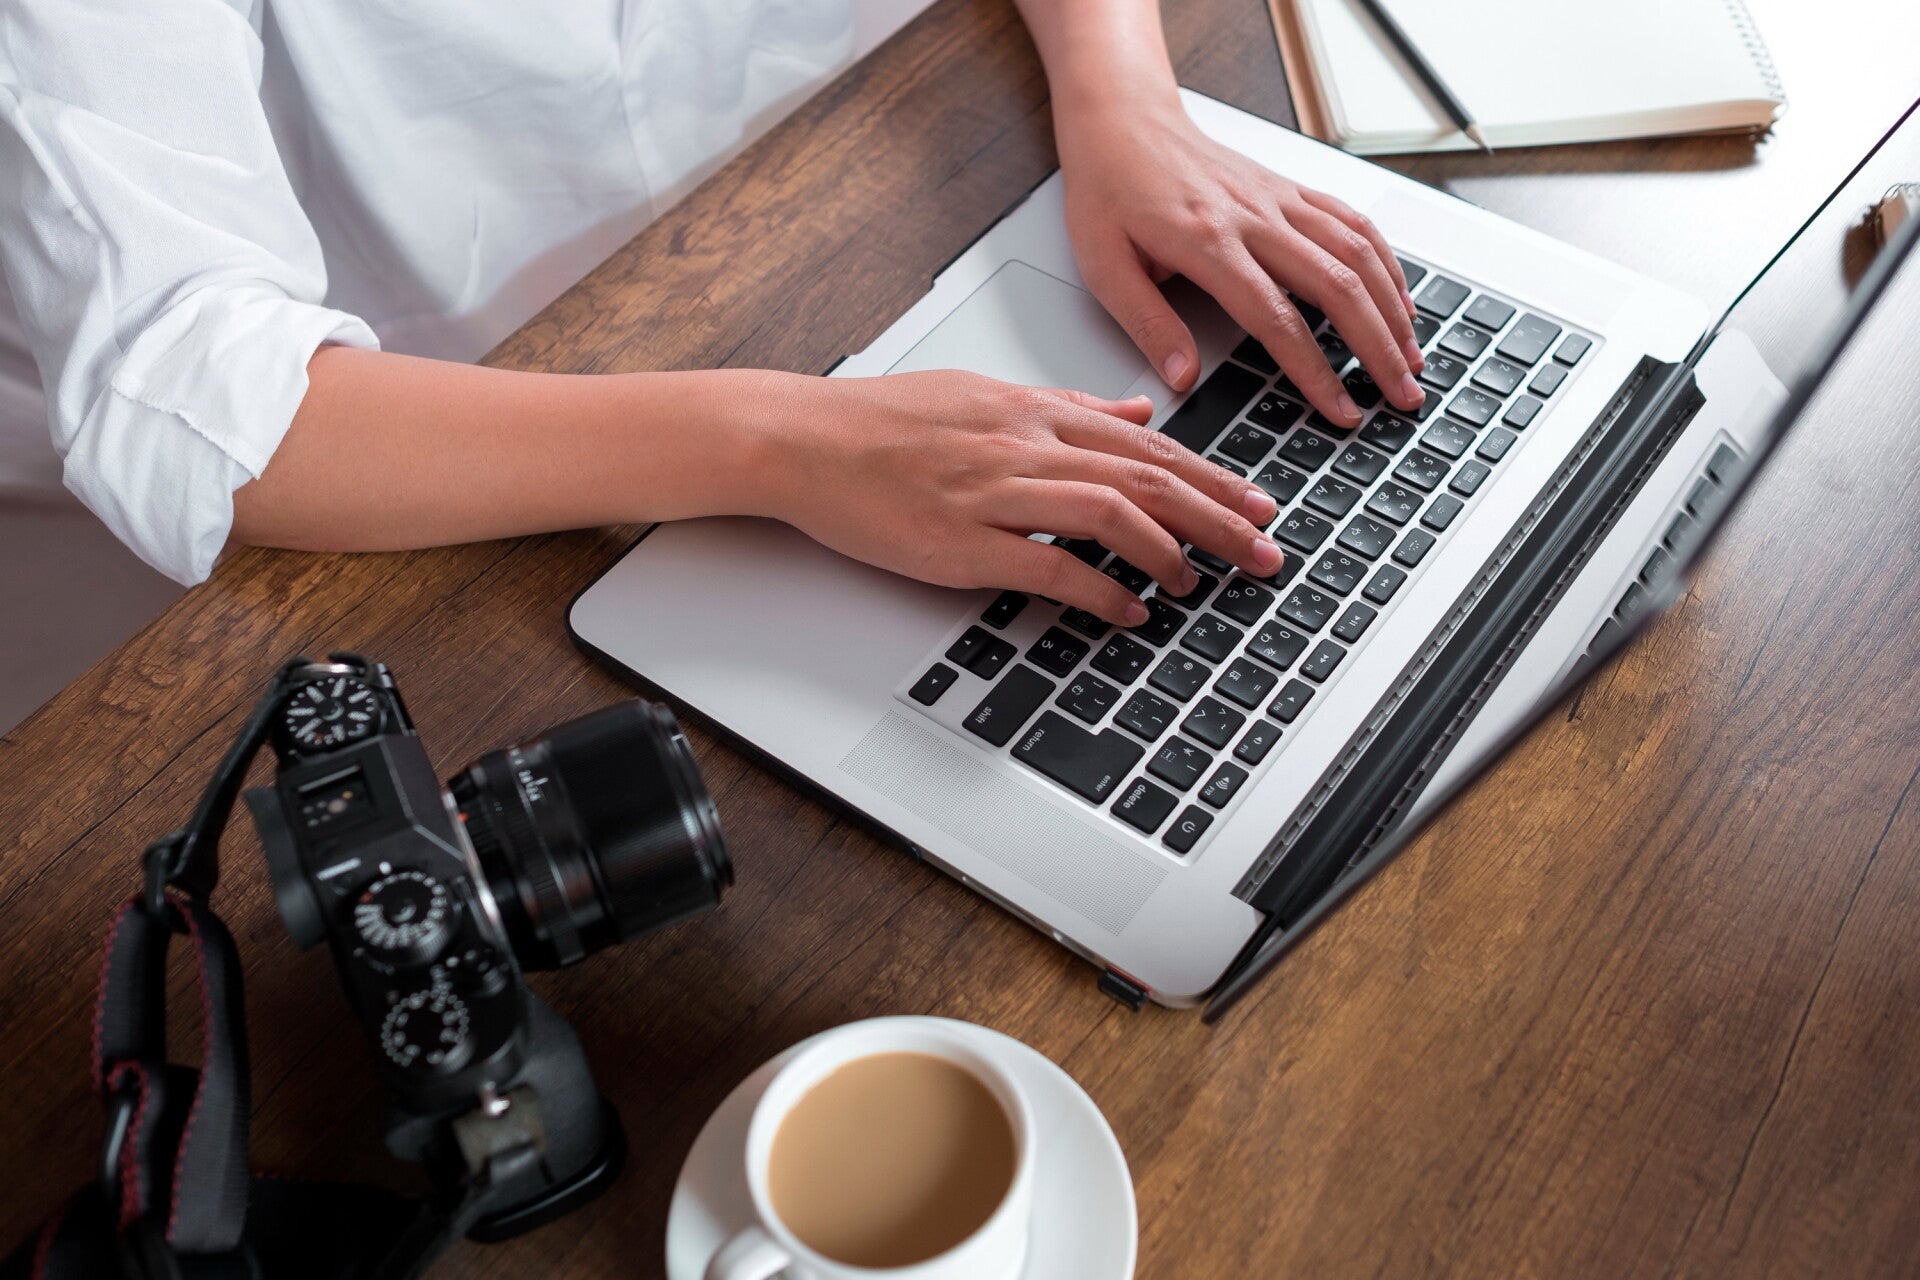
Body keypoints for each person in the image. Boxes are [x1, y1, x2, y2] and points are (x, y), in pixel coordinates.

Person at [0, 0, 1424, 629]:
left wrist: (1122, 91)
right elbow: (203, 404)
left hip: (874, 196)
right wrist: (784, 445)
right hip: (495, 424)